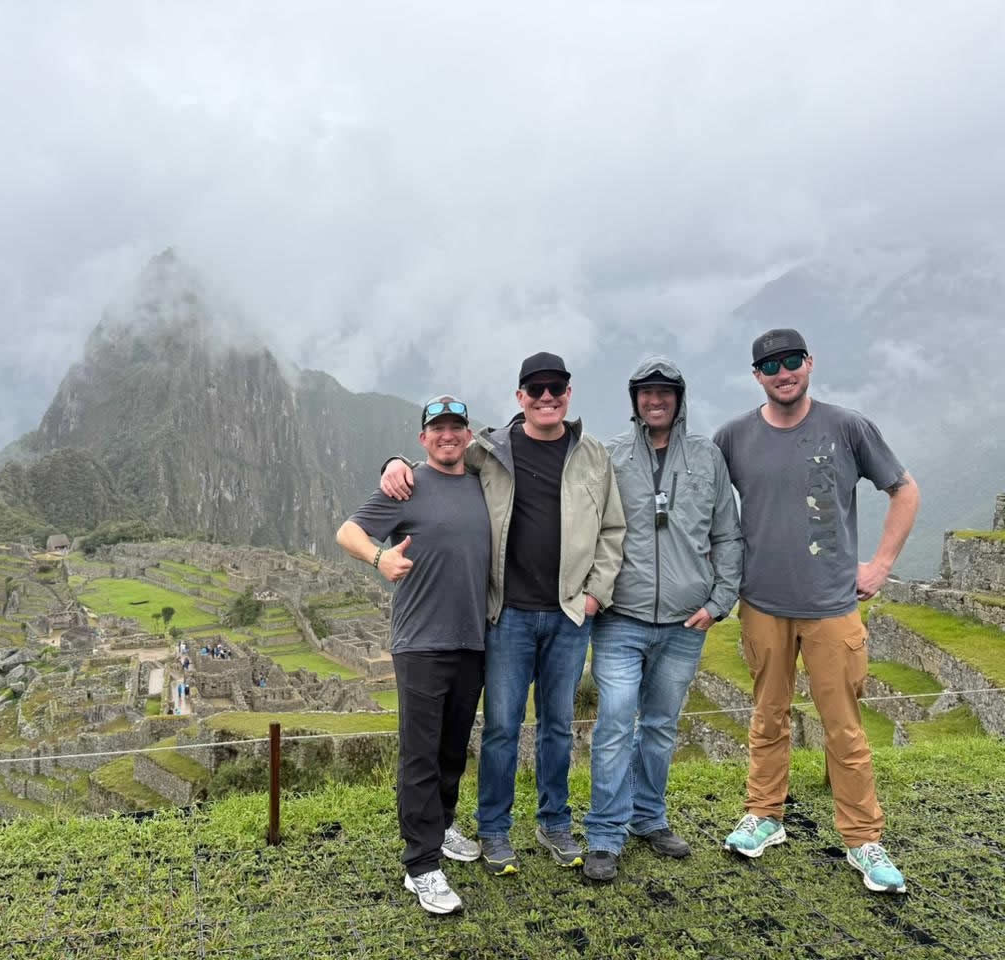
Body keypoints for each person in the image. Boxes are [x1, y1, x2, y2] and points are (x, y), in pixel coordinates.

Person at [382, 353, 625, 875]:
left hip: (567, 614)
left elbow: (612, 529)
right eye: (535, 389)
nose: (545, 397)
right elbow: (438, 461)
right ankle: (494, 828)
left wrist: (594, 595)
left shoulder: (593, 456)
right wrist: (393, 462)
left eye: (554, 388)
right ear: (520, 398)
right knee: (501, 727)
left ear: (568, 392)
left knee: (558, 725)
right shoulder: (489, 452)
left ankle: (554, 822)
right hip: (508, 614)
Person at [714, 328, 919, 894]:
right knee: (767, 716)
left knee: (844, 729)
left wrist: (879, 564)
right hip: (762, 605)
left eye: (792, 362)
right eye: (770, 365)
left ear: (809, 363)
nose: (784, 373)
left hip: (832, 606)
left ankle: (864, 840)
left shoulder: (847, 427)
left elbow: (903, 489)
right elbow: (703, 504)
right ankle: (764, 816)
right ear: (757, 374)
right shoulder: (732, 436)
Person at [581, 357, 742, 880]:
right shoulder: (611, 456)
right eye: (646, 393)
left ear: (679, 400)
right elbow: (586, 523)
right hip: (620, 618)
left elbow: (726, 535)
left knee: (660, 726)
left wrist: (718, 602)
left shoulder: (707, 458)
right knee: (614, 721)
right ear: (634, 400)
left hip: (683, 623)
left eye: (665, 394)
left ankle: (649, 816)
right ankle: (605, 832)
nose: (655, 401)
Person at [339, 395, 491, 915]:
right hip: (421, 642)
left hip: (472, 640)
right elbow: (348, 531)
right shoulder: (405, 485)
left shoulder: (482, 485)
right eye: (437, 429)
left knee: (452, 748)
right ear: (423, 438)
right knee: (420, 753)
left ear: (467, 435)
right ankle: (421, 866)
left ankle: (443, 825)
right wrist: (379, 556)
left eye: (456, 427)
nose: (447, 436)